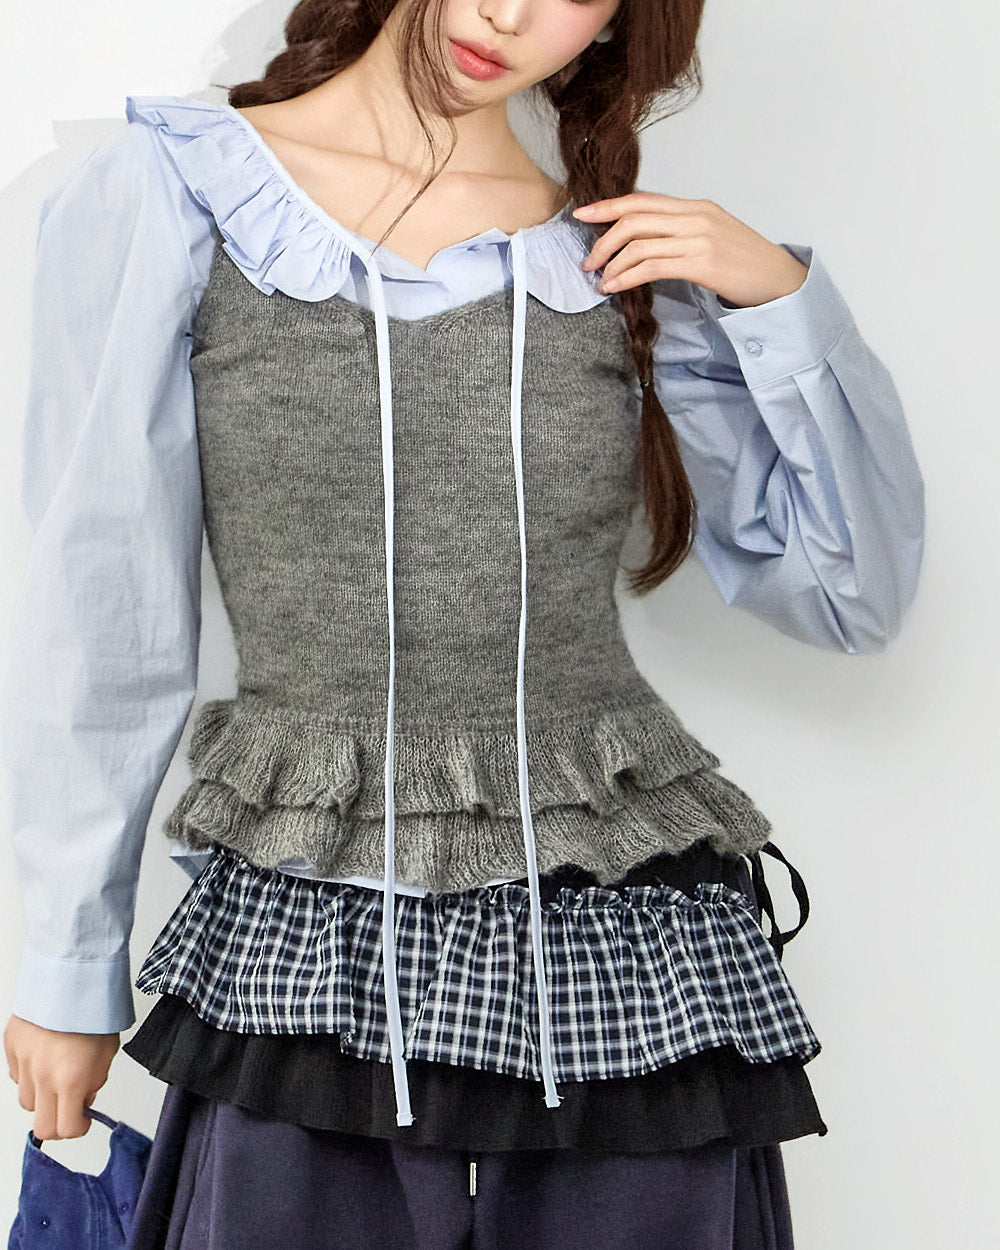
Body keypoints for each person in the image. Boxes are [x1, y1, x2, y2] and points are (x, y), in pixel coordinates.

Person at [2, 0, 924, 1245]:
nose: (509, 12)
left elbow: (849, 591)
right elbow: (100, 600)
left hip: (621, 946)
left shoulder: (616, 253)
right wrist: (69, 963)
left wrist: (781, 299)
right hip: (310, 939)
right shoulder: (176, 193)